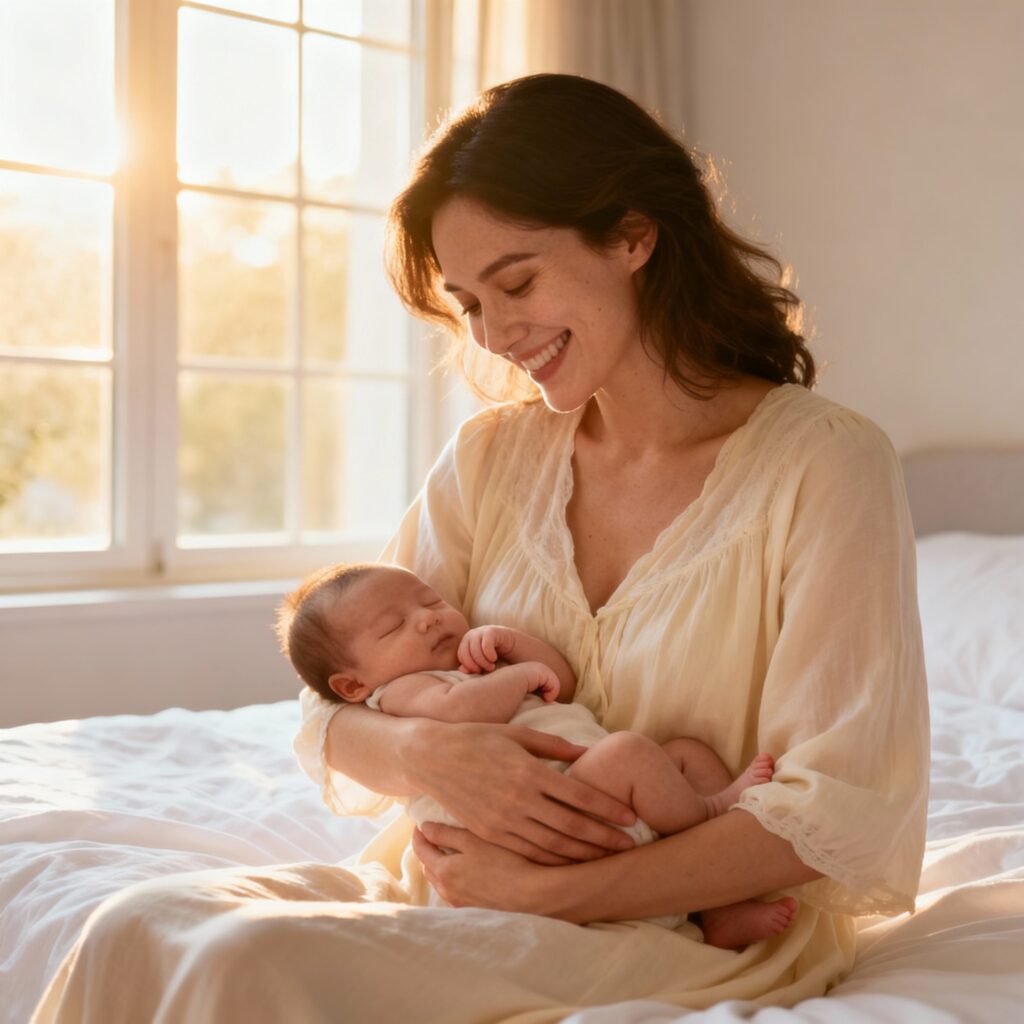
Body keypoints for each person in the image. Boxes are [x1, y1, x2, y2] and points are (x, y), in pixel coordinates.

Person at [33, 73, 928, 1023]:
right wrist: (429, 754)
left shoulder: (827, 466)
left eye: (518, 281)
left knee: (243, 964)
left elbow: (831, 814)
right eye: (468, 303)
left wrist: (553, 892)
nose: (497, 336)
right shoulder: (493, 457)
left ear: (634, 235)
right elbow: (329, 708)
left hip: (686, 931)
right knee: (131, 926)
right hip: (454, 891)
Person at [274, 560, 797, 948]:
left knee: (686, 754)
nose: (426, 620)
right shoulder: (400, 693)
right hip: (533, 827)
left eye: (430, 602)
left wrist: (515, 646)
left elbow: (560, 685)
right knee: (632, 752)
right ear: (352, 684)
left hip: (587, 789)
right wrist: (515, 675)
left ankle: (723, 909)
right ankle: (708, 812)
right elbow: (459, 712)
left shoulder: (467, 658)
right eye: (393, 627)